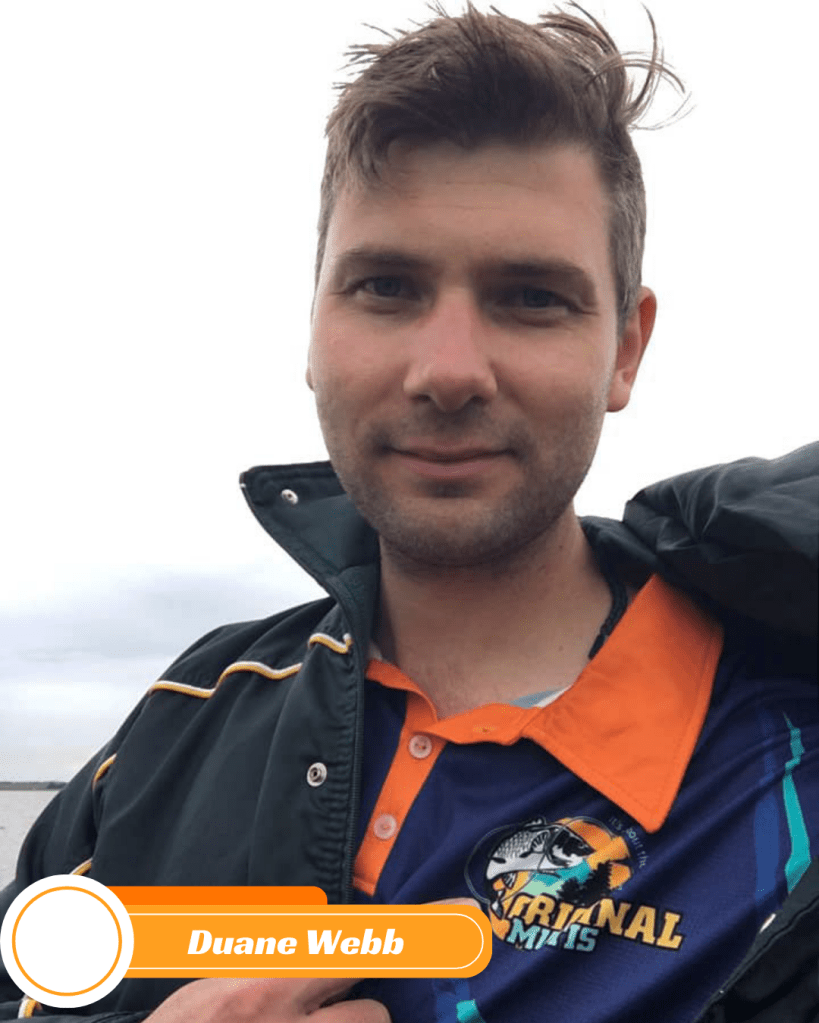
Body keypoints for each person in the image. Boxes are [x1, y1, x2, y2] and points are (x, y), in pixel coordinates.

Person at [1, 3, 817, 1022]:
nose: (447, 371)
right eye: (386, 286)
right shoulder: (191, 713)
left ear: (625, 349)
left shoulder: (784, 756)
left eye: (531, 297)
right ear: (314, 328)